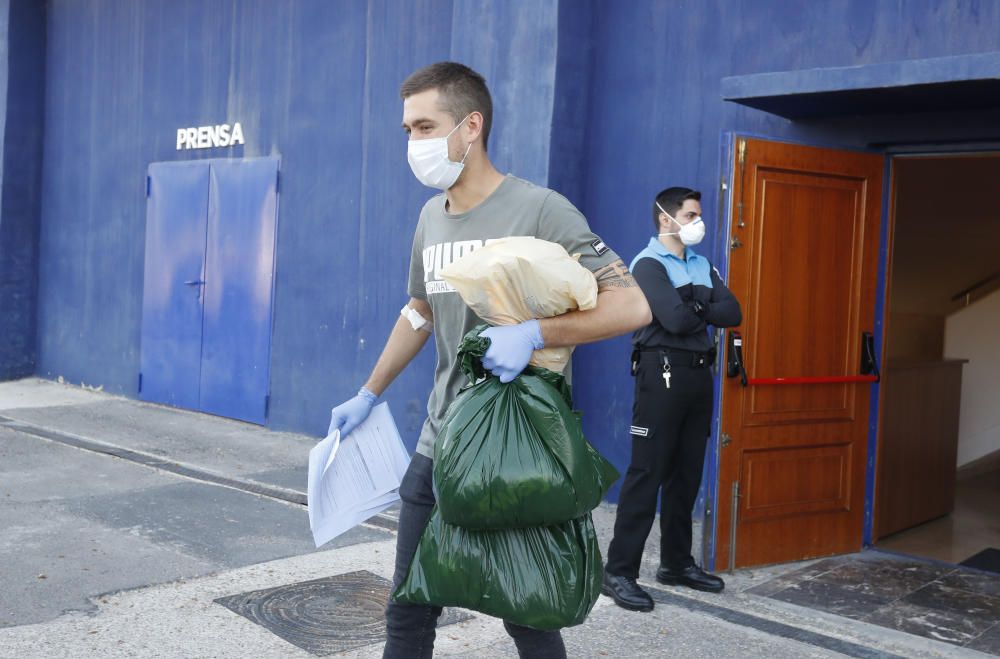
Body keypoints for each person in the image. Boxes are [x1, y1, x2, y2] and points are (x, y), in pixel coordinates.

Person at [327, 61, 651, 658]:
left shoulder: (541, 209)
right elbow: (420, 311)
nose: (413, 143)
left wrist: (535, 331)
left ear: (470, 126)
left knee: (525, 610)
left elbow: (631, 306)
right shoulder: (430, 217)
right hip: (439, 442)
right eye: (407, 131)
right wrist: (367, 393)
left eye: (425, 127)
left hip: (515, 448)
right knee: (408, 604)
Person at [602, 187, 742, 612]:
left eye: (699, 214)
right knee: (648, 471)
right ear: (667, 219)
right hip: (660, 373)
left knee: (686, 474)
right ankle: (619, 571)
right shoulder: (648, 263)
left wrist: (693, 302)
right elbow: (676, 320)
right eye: (692, 214)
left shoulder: (702, 264)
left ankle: (677, 563)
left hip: (700, 374)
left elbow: (734, 313)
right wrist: (703, 303)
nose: (699, 221)